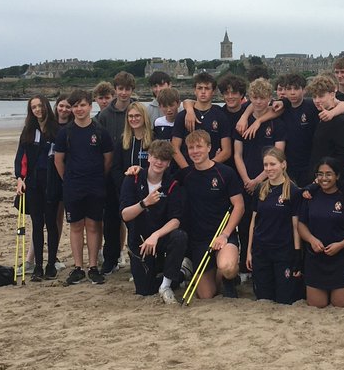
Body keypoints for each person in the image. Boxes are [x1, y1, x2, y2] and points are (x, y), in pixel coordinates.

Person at [53, 89, 114, 285]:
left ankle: (93, 266)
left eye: (82, 105)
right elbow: (58, 160)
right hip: (73, 187)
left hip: (95, 185)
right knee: (76, 226)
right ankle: (78, 268)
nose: (79, 109)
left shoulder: (100, 132)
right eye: (75, 106)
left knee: (94, 226)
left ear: (90, 106)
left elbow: (107, 160)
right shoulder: (65, 133)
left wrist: (96, 178)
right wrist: (69, 180)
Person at [119, 140, 188, 303]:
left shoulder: (172, 185)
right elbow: (125, 215)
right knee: (144, 290)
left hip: (160, 238)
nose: (159, 162)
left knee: (180, 236)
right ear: (148, 157)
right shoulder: (132, 179)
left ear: (169, 163)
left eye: (164, 159)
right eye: (156, 157)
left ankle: (166, 285)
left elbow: (176, 220)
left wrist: (155, 236)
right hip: (140, 240)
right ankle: (180, 274)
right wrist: (144, 203)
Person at [179, 130, 244, 299]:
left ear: (209, 148)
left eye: (199, 146)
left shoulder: (225, 173)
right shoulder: (185, 175)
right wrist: (137, 170)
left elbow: (239, 206)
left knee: (227, 267)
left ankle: (229, 278)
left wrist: (225, 235)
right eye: (191, 148)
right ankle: (215, 273)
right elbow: (159, 181)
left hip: (223, 235)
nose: (195, 151)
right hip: (199, 240)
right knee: (206, 295)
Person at [233, 78, 285, 275]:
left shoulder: (277, 123)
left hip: (269, 181)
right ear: (250, 98)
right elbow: (237, 154)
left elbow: (280, 154)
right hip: (245, 180)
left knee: (267, 223)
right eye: (255, 98)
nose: (259, 102)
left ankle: (264, 265)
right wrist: (247, 179)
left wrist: (258, 180)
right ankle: (245, 266)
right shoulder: (241, 122)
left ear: (269, 98)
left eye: (263, 98)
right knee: (245, 223)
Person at [296, 158, 344, 308]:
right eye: (320, 174)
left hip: (342, 256)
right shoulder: (310, 196)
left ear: (337, 176)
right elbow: (301, 225)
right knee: (317, 304)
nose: (324, 178)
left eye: (328, 174)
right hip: (316, 257)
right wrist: (311, 240)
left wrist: (341, 245)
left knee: (342, 304)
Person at [246, 148, 302, 304]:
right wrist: (249, 251)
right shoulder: (260, 189)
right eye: (265, 165)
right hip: (261, 251)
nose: (268, 168)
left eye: (273, 164)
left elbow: (296, 225)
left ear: (283, 164)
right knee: (264, 298)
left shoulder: (293, 190)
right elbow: (253, 222)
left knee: (284, 299)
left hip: (283, 252)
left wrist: (297, 253)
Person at [13, 96, 57, 281]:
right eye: (34, 107)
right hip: (32, 183)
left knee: (52, 224)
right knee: (37, 224)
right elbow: (20, 157)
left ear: (46, 106)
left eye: (40, 106)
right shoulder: (28, 131)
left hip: (52, 182)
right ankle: (38, 265)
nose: (38, 110)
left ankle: (51, 264)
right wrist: (19, 178)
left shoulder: (57, 129)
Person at [95, 72, 136, 274]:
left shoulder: (137, 110)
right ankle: (110, 260)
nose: (124, 92)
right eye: (120, 88)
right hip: (111, 174)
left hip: (133, 174)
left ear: (132, 90)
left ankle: (137, 260)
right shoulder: (104, 115)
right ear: (115, 90)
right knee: (110, 220)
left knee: (135, 221)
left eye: (127, 89)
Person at [171, 72, 232, 169]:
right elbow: (174, 148)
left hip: (212, 170)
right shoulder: (183, 116)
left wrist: (207, 166)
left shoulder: (221, 115)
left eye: (207, 88)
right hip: (187, 170)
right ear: (194, 90)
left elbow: (227, 151)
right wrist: (187, 169)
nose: (203, 92)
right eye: (199, 88)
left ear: (213, 91)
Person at [43, 95, 73, 277]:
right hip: (49, 176)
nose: (64, 109)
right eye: (61, 106)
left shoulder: (72, 127)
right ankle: (45, 257)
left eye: (67, 106)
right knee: (49, 219)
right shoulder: (48, 126)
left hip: (67, 175)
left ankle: (54, 257)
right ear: (56, 107)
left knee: (61, 217)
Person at [307, 75, 344, 179]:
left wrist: (327, 176)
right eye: (314, 97)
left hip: (330, 180)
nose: (316, 100)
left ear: (332, 94)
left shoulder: (340, 122)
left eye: (321, 96)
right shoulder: (319, 116)